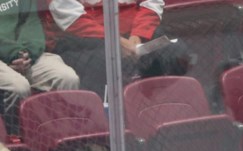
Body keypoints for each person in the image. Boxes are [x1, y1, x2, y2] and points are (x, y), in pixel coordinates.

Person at [44, 0, 189, 94]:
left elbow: (151, 3)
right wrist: (116, 41)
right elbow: (72, 19)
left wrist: (137, 35)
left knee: (175, 50)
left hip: (134, 36)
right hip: (84, 41)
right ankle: (103, 133)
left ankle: (159, 107)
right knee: (104, 63)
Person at [0, 0, 78, 134]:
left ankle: (65, 137)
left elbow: (32, 24)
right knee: (18, 86)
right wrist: (13, 54)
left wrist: (27, 53)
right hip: (7, 55)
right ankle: (16, 137)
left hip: (23, 54)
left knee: (67, 77)